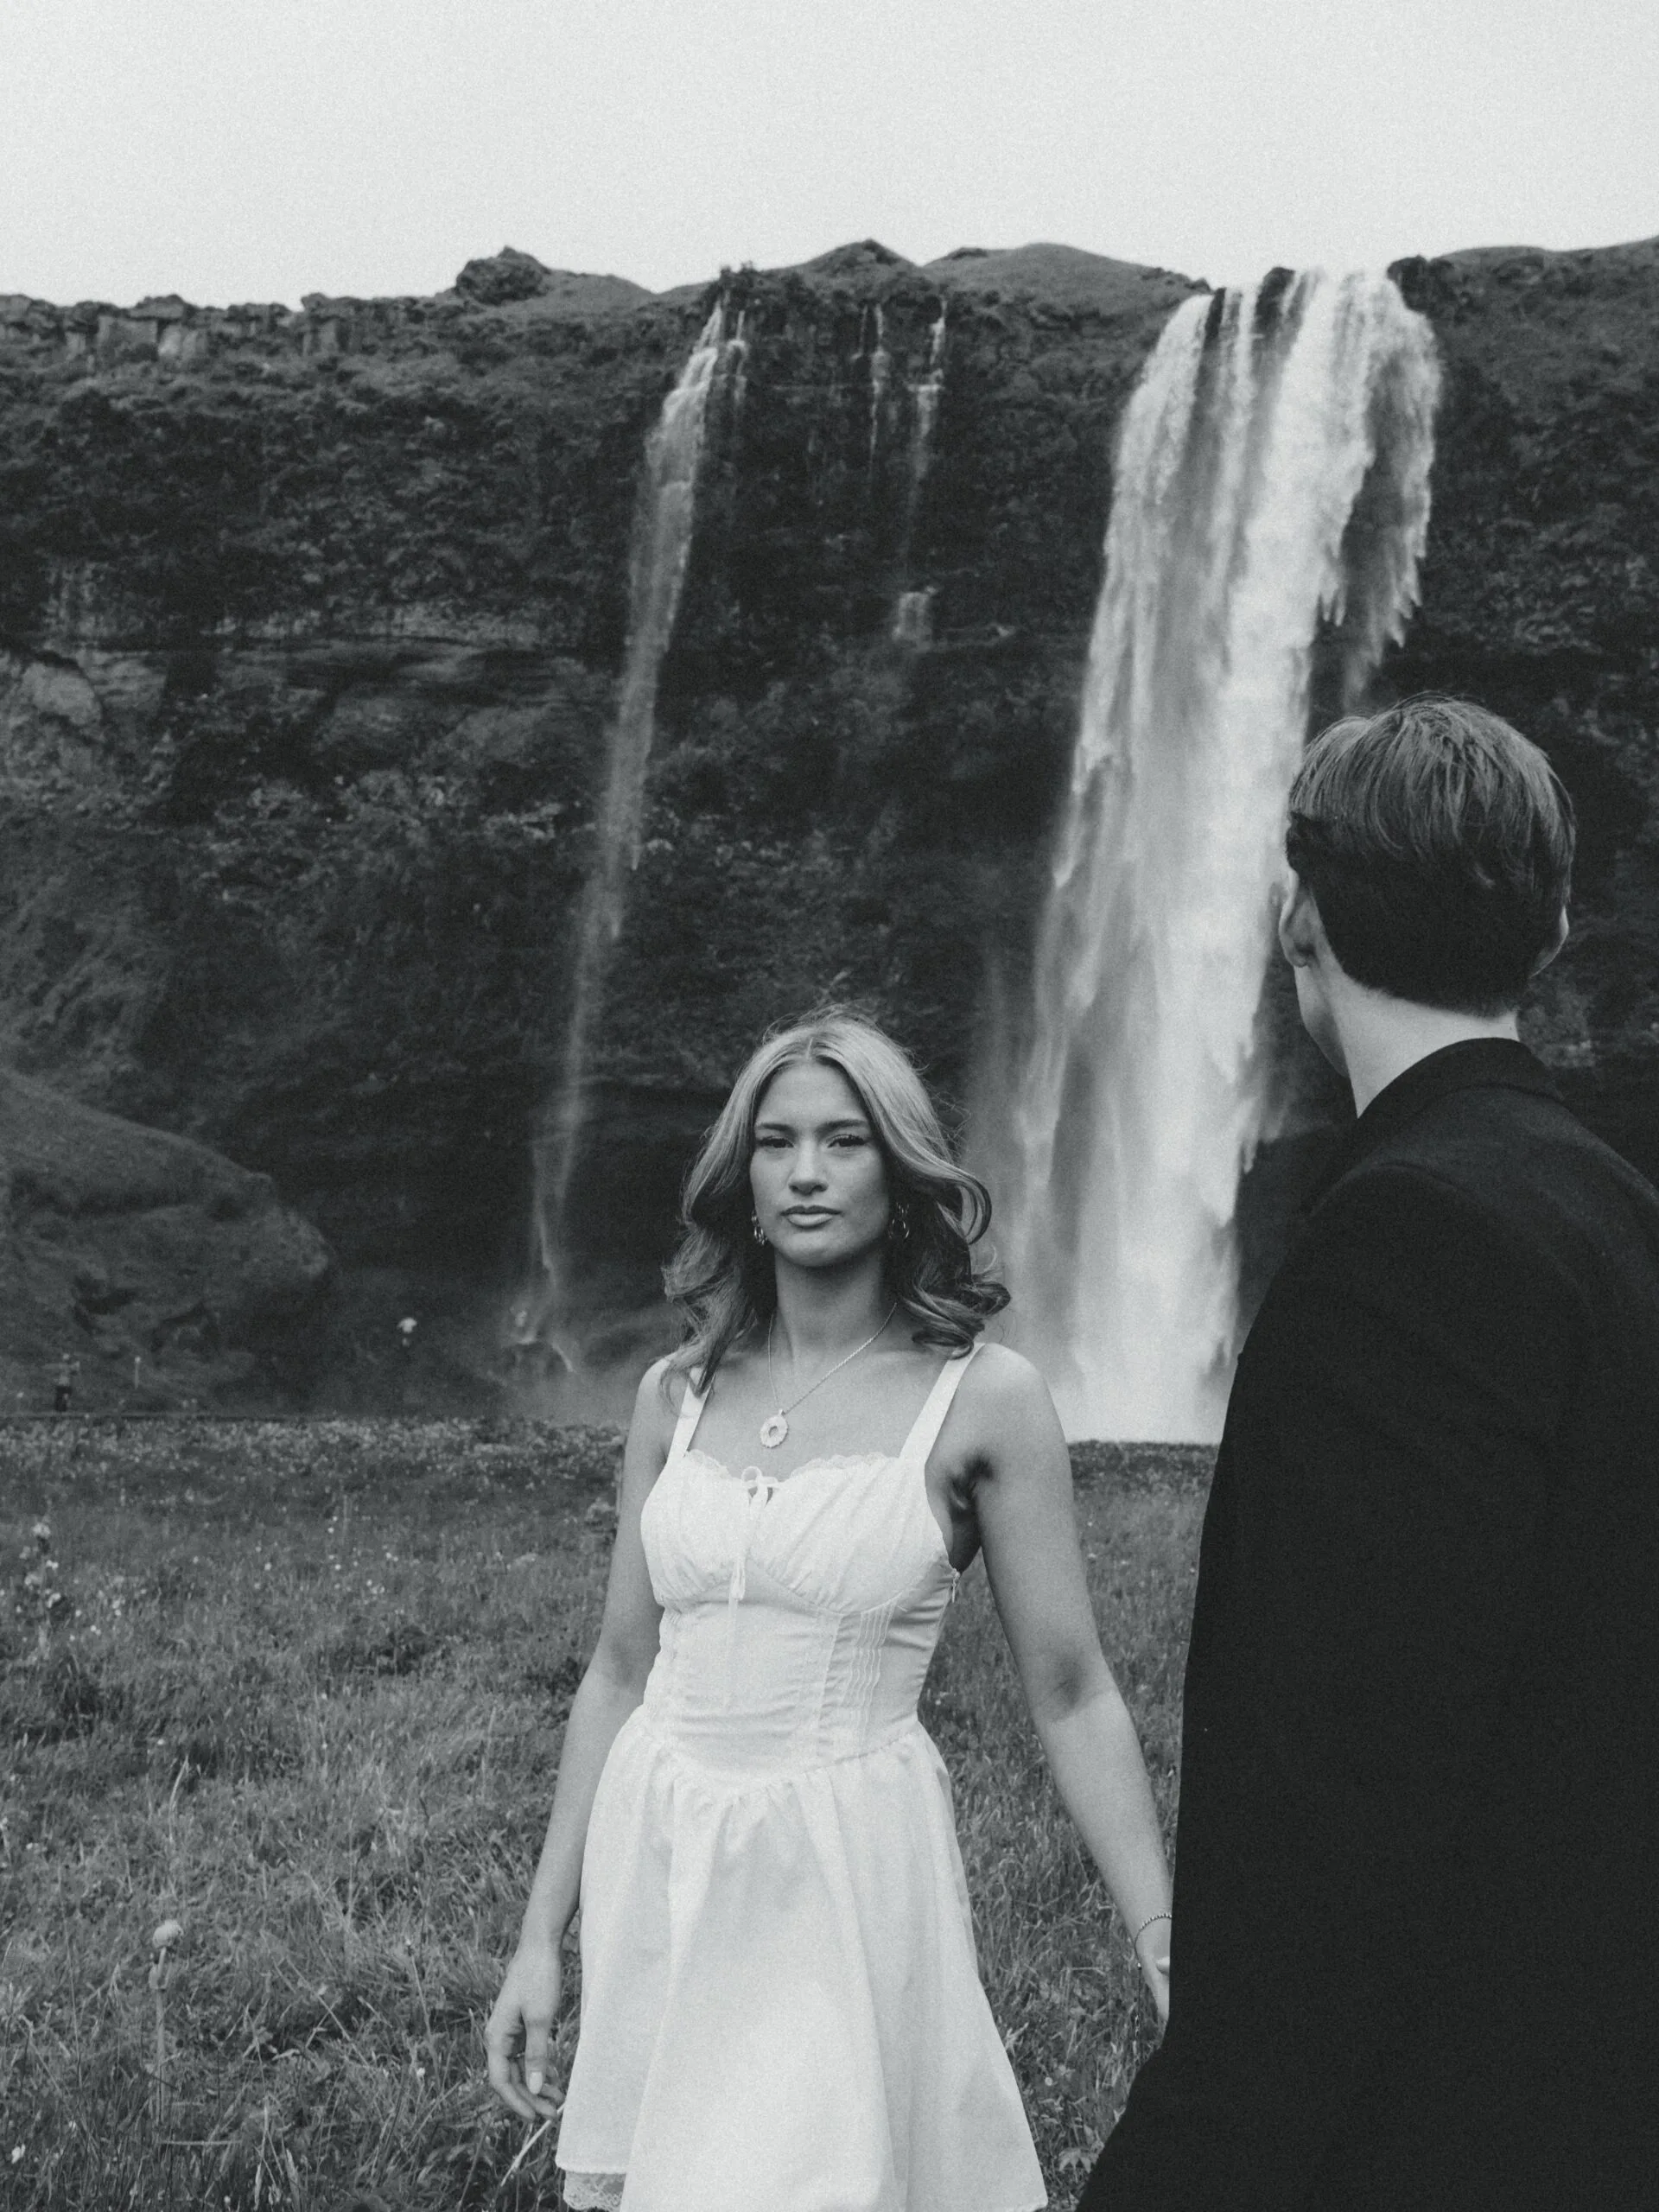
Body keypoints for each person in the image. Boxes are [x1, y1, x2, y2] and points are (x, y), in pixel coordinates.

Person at [1082, 697, 1659, 2211]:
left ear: (1299, 916)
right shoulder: (1613, 1211)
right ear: (1549, 932)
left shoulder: (1406, 1238)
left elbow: (1338, 1807)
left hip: (1446, 2119)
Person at [487, 1009, 1173, 2210]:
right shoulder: (674, 1394)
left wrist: (1164, 1937)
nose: (806, 1172)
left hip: (841, 1873)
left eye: (845, 1142)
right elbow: (617, 1669)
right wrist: (543, 1936)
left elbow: (1071, 1691)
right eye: (778, 1142)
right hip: (667, 1853)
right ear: (741, 1180)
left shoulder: (987, 1401)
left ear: (901, 1176)